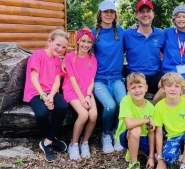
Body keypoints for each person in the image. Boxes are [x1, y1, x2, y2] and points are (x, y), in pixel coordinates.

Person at [23, 29, 69, 162]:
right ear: (50, 42)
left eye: (64, 47)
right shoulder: (38, 55)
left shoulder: (58, 61)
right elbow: (34, 78)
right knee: (42, 113)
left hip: (51, 91)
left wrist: (52, 95)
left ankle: (47, 141)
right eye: (58, 45)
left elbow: (56, 81)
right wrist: (44, 96)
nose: (60, 49)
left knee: (62, 107)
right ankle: (52, 139)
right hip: (35, 92)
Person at [92, 0, 126, 153]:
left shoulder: (121, 32)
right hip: (99, 79)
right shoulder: (93, 33)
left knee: (123, 104)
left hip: (117, 78)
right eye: (105, 11)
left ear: (115, 14)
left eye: (111, 12)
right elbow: (82, 49)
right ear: (100, 14)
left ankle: (116, 132)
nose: (108, 14)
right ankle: (105, 134)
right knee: (110, 106)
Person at [154, 72, 185, 169]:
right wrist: (160, 158)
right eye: (169, 86)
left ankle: (184, 163)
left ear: (182, 90)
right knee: (168, 159)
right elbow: (159, 133)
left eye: (177, 86)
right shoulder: (159, 107)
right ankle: (183, 154)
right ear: (163, 89)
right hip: (173, 138)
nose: (173, 89)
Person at [62, 28, 98, 160]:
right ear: (78, 41)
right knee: (83, 114)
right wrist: (82, 100)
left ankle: (85, 142)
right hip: (72, 89)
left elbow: (91, 80)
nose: (86, 44)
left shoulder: (92, 59)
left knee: (93, 115)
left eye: (89, 42)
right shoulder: (70, 57)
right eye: (83, 41)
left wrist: (88, 96)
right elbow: (71, 79)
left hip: (86, 90)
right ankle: (74, 143)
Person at [123, 0, 165, 103]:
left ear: (153, 14)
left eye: (148, 11)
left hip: (155, 75)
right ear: (136, 15)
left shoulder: (161, 34)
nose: (145, 14)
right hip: (135, 75)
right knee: (132, 98)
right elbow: (118, 55)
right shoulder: (127, 34)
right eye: (141, 12)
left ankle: (152, 109)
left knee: (168, 85)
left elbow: (166, 54)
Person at [161, 5, 185, 103]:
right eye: (178, 17)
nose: (181, 19)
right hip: (172, 75)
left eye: (184, 17)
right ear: (174, 19)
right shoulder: (167, 32)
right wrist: (136, 26)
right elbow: (151, 33)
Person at [115, 72, 156, 169]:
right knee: (135, 130)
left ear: (146, 88)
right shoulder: (126, 101)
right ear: (128, 90)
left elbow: (151, 132)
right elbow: (129, 124)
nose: (137, 90)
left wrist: (150, 156)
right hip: (126, 135)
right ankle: (134, 163)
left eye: (140, 86)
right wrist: (146, 120)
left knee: (156, 157)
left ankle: (138, 151)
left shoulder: (151, 108)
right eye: (133, 88)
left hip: (144, 137)